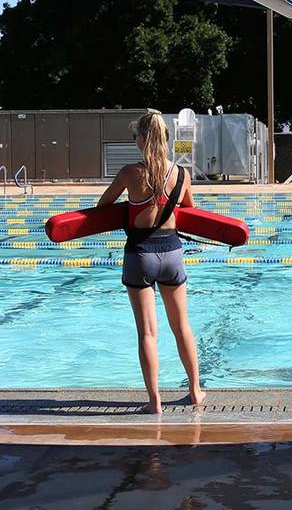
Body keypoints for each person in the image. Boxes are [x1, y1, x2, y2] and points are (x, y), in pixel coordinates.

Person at [98, 110, 203, 414]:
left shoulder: (131, 173)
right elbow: (190, 212)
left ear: (141, 140)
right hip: (172, 253)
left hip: (140, 254)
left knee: (147, 332)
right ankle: (195, 391)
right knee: (181, 325)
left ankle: (154, 401)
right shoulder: (182, 174)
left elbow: (102, 206)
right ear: (166, 140)